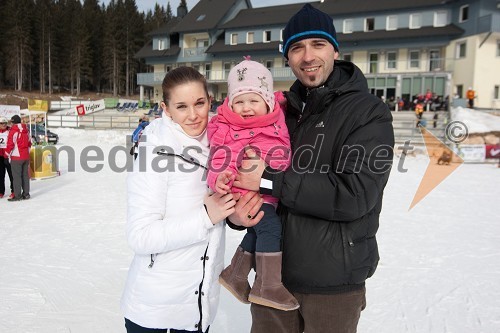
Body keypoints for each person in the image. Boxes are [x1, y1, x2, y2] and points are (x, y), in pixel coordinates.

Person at [229, 4, 395, 333]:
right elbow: (243, 171)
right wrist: (238, 215)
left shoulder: (367, 112)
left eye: (317, 44)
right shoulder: (277, 112)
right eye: (297, 47)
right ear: (286, 57)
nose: (307, 56)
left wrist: (268, 179)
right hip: (273, 278)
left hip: (333, 285)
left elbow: (354, 194)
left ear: (335, 48)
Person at [121, 67, 238, 333]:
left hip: (199, 310)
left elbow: (224, 206)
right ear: (166, 108)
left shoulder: (221, 144)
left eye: (199, 103)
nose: (194, 115)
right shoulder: (154, 153)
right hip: (155, 315)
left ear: (210, 100)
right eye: (182, 106)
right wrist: (206, 217)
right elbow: (141, 236)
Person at [206, 57, 298, 311]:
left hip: (270, 189)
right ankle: (268, 285)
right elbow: (219, 158)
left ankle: (235, 275)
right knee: (269, 228)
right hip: (246, 192)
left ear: (267, 103)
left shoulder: (277, 116)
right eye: (239, 102)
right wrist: (220, 178)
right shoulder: (230, 127)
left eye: (253, 101)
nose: (246, 108)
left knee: (257, 229)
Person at [5, 115, 31, 201]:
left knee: (16, 177)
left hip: (16, 157)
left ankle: (17, 195)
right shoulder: (26, 130)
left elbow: (10, 144)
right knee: (25, 176)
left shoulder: (13, 131)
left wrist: (6, 154)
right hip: (26, 156)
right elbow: (29, 143)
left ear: (13, 122)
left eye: (11, 122)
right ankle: (26, 194)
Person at [0, 116, 14, 199]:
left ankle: (14, 190)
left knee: (11, 174)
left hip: (8, 155)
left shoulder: (10, 131)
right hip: (0, 156)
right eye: (1, 123)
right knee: (1, 175)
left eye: (5, 123)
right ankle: (1, 191)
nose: (3, 125)